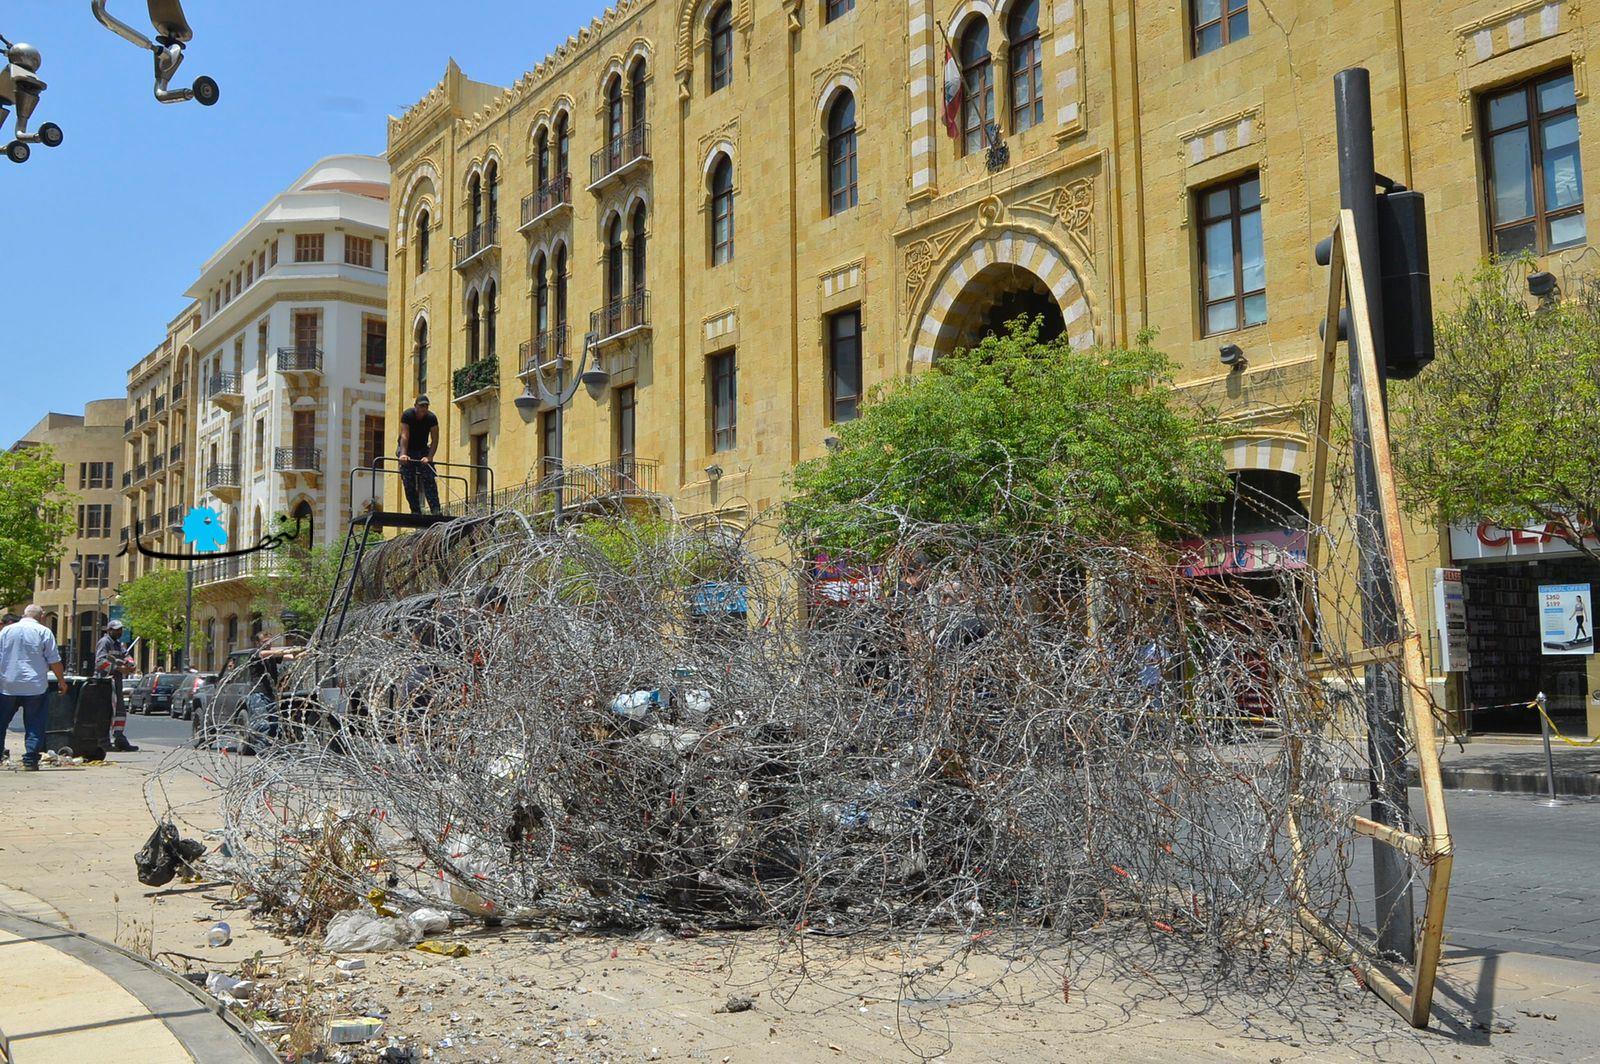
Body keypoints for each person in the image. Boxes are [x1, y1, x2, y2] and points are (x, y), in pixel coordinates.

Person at [0, 605, 67, 771]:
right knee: (35, 724)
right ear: (42, 617)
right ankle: (30, 759)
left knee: (1, 722)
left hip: (8, 684)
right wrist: (61, 681)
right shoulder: (44, 632)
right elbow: (54, 661)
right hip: (35, 686)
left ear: (24, 615)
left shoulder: (6, 631)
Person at [240, 632, 301, 753]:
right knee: (262, 724)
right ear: (258, 643)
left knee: (275, 725)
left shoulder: (272, 655)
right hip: (258, 695)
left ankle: (272, 749)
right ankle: (262, 751)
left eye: (270, 641)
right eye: (265, 642)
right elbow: (264, 654)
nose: (268, 644)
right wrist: (287, 650)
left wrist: (303, 653)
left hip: (271, 695)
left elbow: (290, 657)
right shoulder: (255, 653)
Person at [95, 619, 138, 752]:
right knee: (106, 712)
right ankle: (103, 742)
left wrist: (130, 664)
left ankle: (119, 738)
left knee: (119, 712)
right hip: (105, 683)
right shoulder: (104, 642)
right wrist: (118, 668)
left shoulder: (118, 644)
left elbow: (126, 656)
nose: (119, 632)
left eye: (120, 629)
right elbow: (100, 662)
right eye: (116, 630)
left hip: (117, 682)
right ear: (109, 630)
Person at [398, 395, 442, 516]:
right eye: (421, 406)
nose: (424, 408)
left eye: (426, 406)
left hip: (422, 449)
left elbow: (435, 439)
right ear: (415, 406)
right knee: (408, 479)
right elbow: (404, 436)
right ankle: (415, 510)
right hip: (407, 448)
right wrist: (403, 454)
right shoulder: (408, 415)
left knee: (429, 477)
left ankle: (435, 509)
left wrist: (429, 457)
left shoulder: (431, 418)